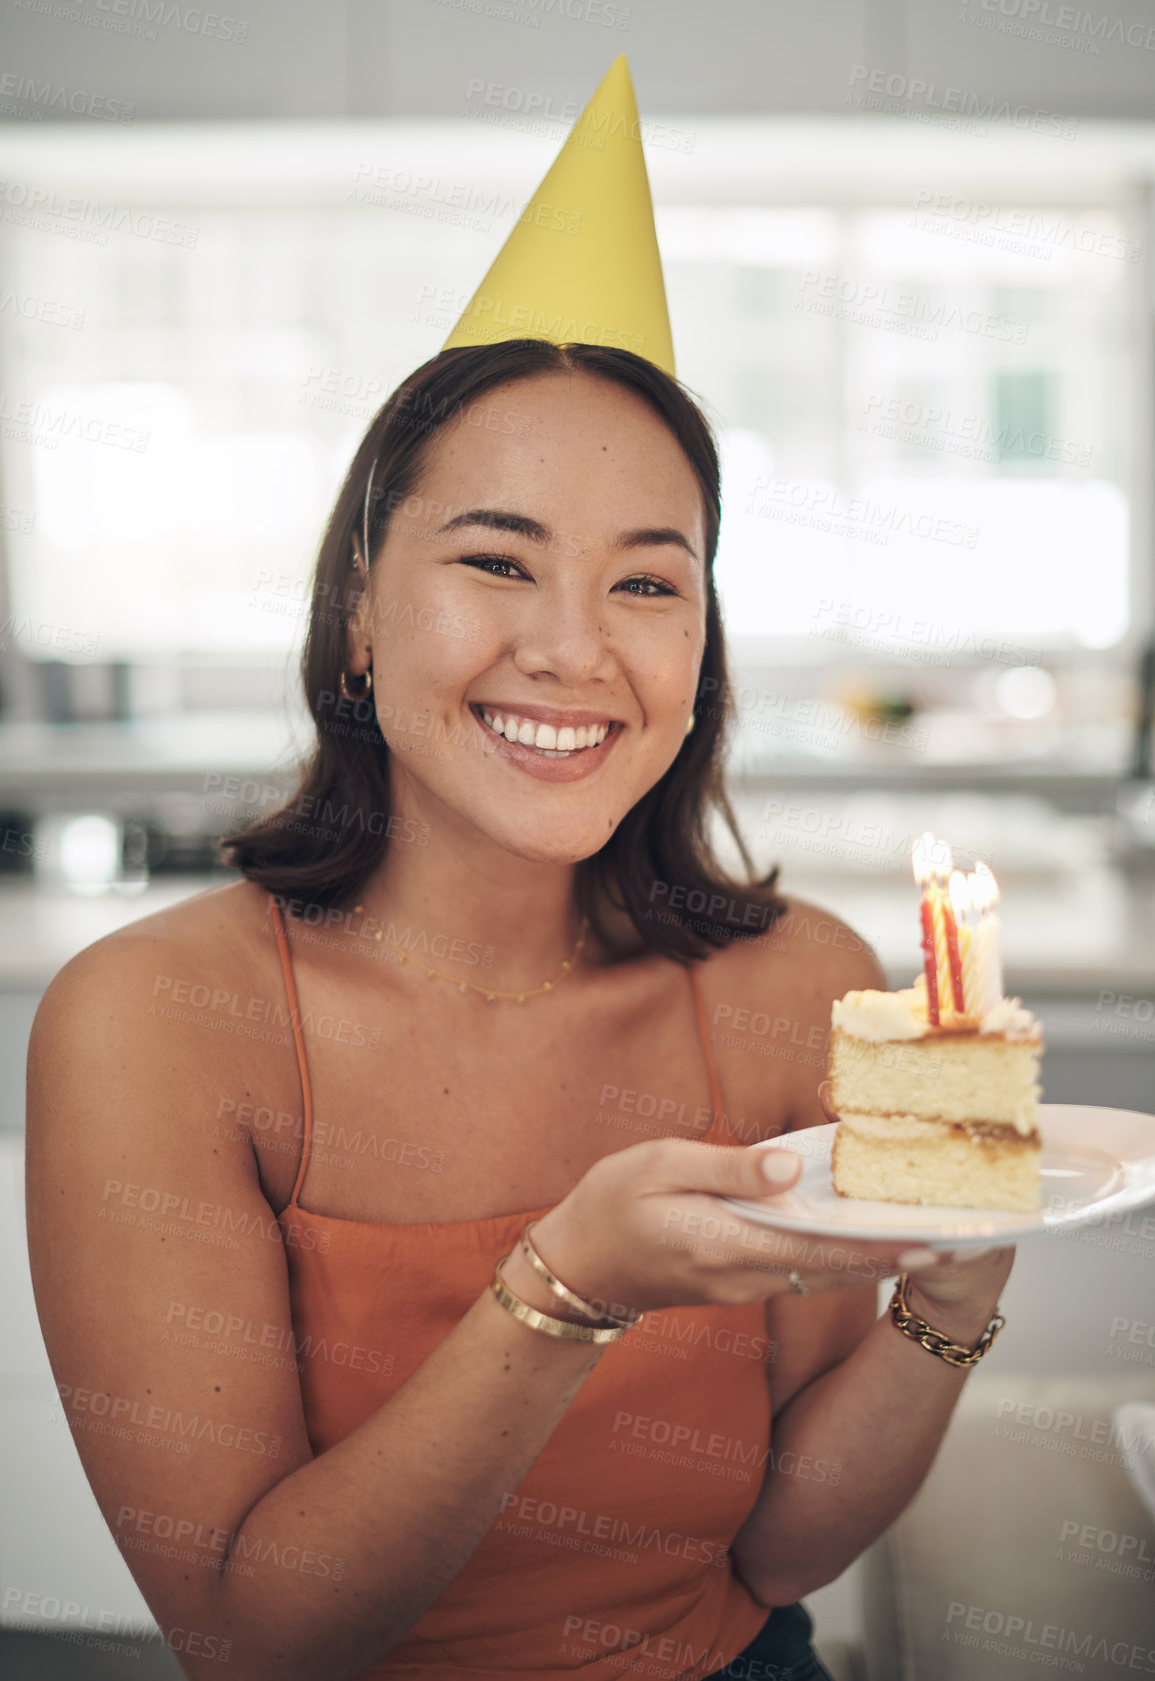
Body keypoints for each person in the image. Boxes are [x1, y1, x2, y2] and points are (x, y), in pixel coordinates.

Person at [26, 335, 1013, 1681]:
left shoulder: (798, 984)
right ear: (362, 612)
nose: (570, 647)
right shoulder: (152, 1023)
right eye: (498, 561)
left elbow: (785, 1556)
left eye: (647, 582)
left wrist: (959, 1284)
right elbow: (251, 1646)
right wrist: (568, 1292)